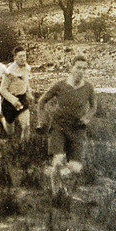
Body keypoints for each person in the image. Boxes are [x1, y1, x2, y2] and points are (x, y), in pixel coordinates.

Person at [37, 55, 97, 195]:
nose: (81, 71)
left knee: (75, 168)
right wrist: (42, 120)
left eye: (84, 68)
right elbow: (41, 101)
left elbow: (94, 106)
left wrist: (87, 118)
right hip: (59, 126)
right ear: (71, 68)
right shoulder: (60, 85)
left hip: (77, 129)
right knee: (58, 161)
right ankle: (55, 194)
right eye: (78, 68)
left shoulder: (88, 87)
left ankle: (61, 181)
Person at [0, 46, 34, 145]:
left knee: (26, 125)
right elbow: (2, 89)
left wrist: (29, 93)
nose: (23, 58)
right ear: (15, 58)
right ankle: (3, 121)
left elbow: (26, 81)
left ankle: (24, 147)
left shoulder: (27, 67)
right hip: (10, 102)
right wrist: (13, 100)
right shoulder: (9, 71)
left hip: (22, 99)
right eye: (20, 56)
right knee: (10, 131)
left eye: (24, 56)